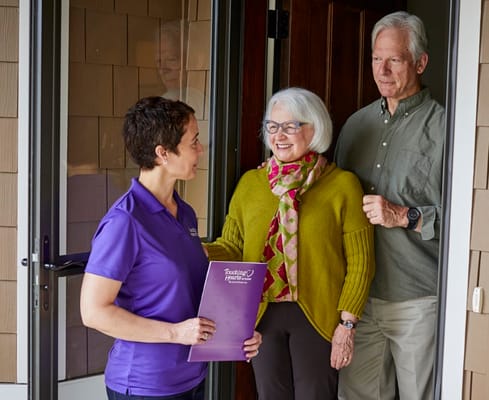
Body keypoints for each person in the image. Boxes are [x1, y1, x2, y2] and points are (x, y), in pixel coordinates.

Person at [80, 96, 262, 400]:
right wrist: (175, 334)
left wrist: (238, 334)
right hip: (144, 385)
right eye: (194, 142)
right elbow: (94, 312)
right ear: (163, 153)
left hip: (191, 378)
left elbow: (189, 293)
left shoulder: (185, 212)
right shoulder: (125, 222)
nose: (200, 150)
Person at [205, 87, 375, 399]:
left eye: (291, 126)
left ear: (316, 128)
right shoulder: (250, 184)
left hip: (317, 315)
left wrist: (347, 325)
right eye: (272, 126)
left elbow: (361, 262)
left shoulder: (342, 186)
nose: (279, 135)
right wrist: (193, 250)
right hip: (261, 314)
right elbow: (232, 248)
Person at [334, 11, 445, 400]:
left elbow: (467, 222)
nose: (381, 70)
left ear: (420, 62)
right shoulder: (355, 126)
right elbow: (332, 199)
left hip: (418, 298)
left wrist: (405, 215)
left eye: (394, 59)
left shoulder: (447, 129)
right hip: (359, 301)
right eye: (375, 58)